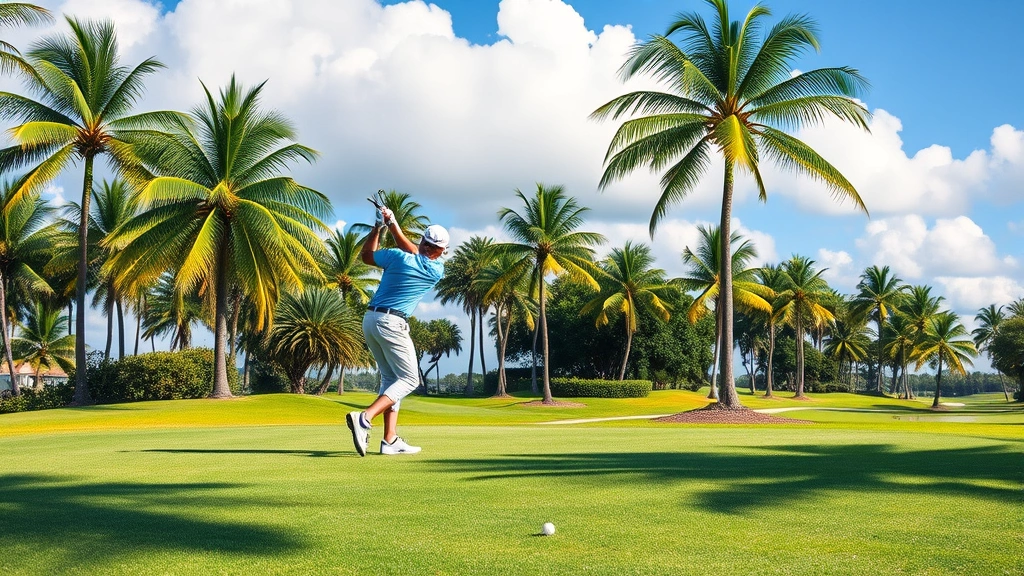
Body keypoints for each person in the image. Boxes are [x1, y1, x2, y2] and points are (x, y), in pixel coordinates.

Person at [346, 205, 448, 456]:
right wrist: (392, 225)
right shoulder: (436, 269)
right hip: (392, 324)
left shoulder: (395, 256)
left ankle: (389, 440)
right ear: (441, 251)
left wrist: (379, 227)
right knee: (410, 379)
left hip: (370, 320)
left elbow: (367, 256)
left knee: (392, 380)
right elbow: (414, 251)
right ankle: (364, 417)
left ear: (422, 240)